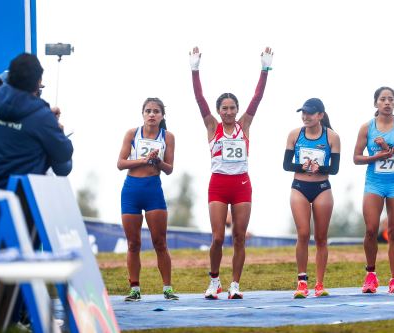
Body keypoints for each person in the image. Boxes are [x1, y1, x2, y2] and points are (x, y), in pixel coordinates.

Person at [189, 46, 273, 299]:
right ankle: (214, 281)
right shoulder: (211, 125)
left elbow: (257, 98)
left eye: (232, 108)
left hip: (241, 185)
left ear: (237, 110)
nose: (228, 112)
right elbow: (199, 99)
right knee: (217, 237)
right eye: (224, 108)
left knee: (239, 237)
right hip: (218, 184)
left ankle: (235, 284)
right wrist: (195, 70)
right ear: (218, 111)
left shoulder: (244, 125)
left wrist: (265, 69)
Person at [0, 53, 73, 192]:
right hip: (18, 200)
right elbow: (64, 155)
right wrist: (55, 128)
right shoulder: (42, 117)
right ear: (37, 83)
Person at [353, 86, 394, 293]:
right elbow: (356, 158)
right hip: (374, 183)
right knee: (371, 230)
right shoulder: (367, 128)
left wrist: (389, 148)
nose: (387, 102)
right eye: (383, 99)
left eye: (391, 99)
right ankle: (371, 275)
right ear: (376, 103)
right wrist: (376, 156)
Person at [117, 97, 178, 302]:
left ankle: (167, 289)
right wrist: (144, 160)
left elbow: (169, 169)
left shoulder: (167, 136)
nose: (152, 114)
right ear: (142, 114)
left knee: (159, 242)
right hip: (131, 190)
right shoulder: (132, 133)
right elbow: (120, 163)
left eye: (156, 111)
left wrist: (158, 161)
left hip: (153, 191)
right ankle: (135, 289)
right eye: (148, 111)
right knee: (133, 243)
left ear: (162, 115)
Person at [283, 98, 340, 298]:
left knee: (321, 238)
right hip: (299, 187)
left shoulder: (332, 137)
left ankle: (320, 284)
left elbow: (334, 169)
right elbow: (286, 165)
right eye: (303, 113)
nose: (305, 116)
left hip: (322, 187)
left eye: (310, 113)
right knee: (303, 234)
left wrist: (320, 168)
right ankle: (301, 282)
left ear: (320, 115)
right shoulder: (294, 134)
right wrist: (303, 166)